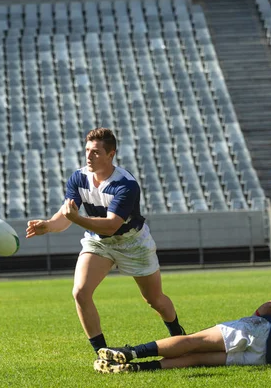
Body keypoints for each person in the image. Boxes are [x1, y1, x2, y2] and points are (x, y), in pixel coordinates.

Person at [26, 127, 185, 354]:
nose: (89, 156)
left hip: (133, 243)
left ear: (111, 154)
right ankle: (102, 353)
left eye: (96, 152)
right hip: (99, 242)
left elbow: (111, 225)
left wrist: (77, 219)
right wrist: (49, 225)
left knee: (155, 300)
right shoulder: (79, 178)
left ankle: (180, 338)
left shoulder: (126, 185)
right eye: (87, 150)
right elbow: (65, 216)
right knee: (80, 292)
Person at [94, 295, 271, 373]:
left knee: (193, 341)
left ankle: (130, 352)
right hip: (264, 357)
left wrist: (253, 319)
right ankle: (139, 369)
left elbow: (270, 307)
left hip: (262, 331)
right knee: (196, 359)